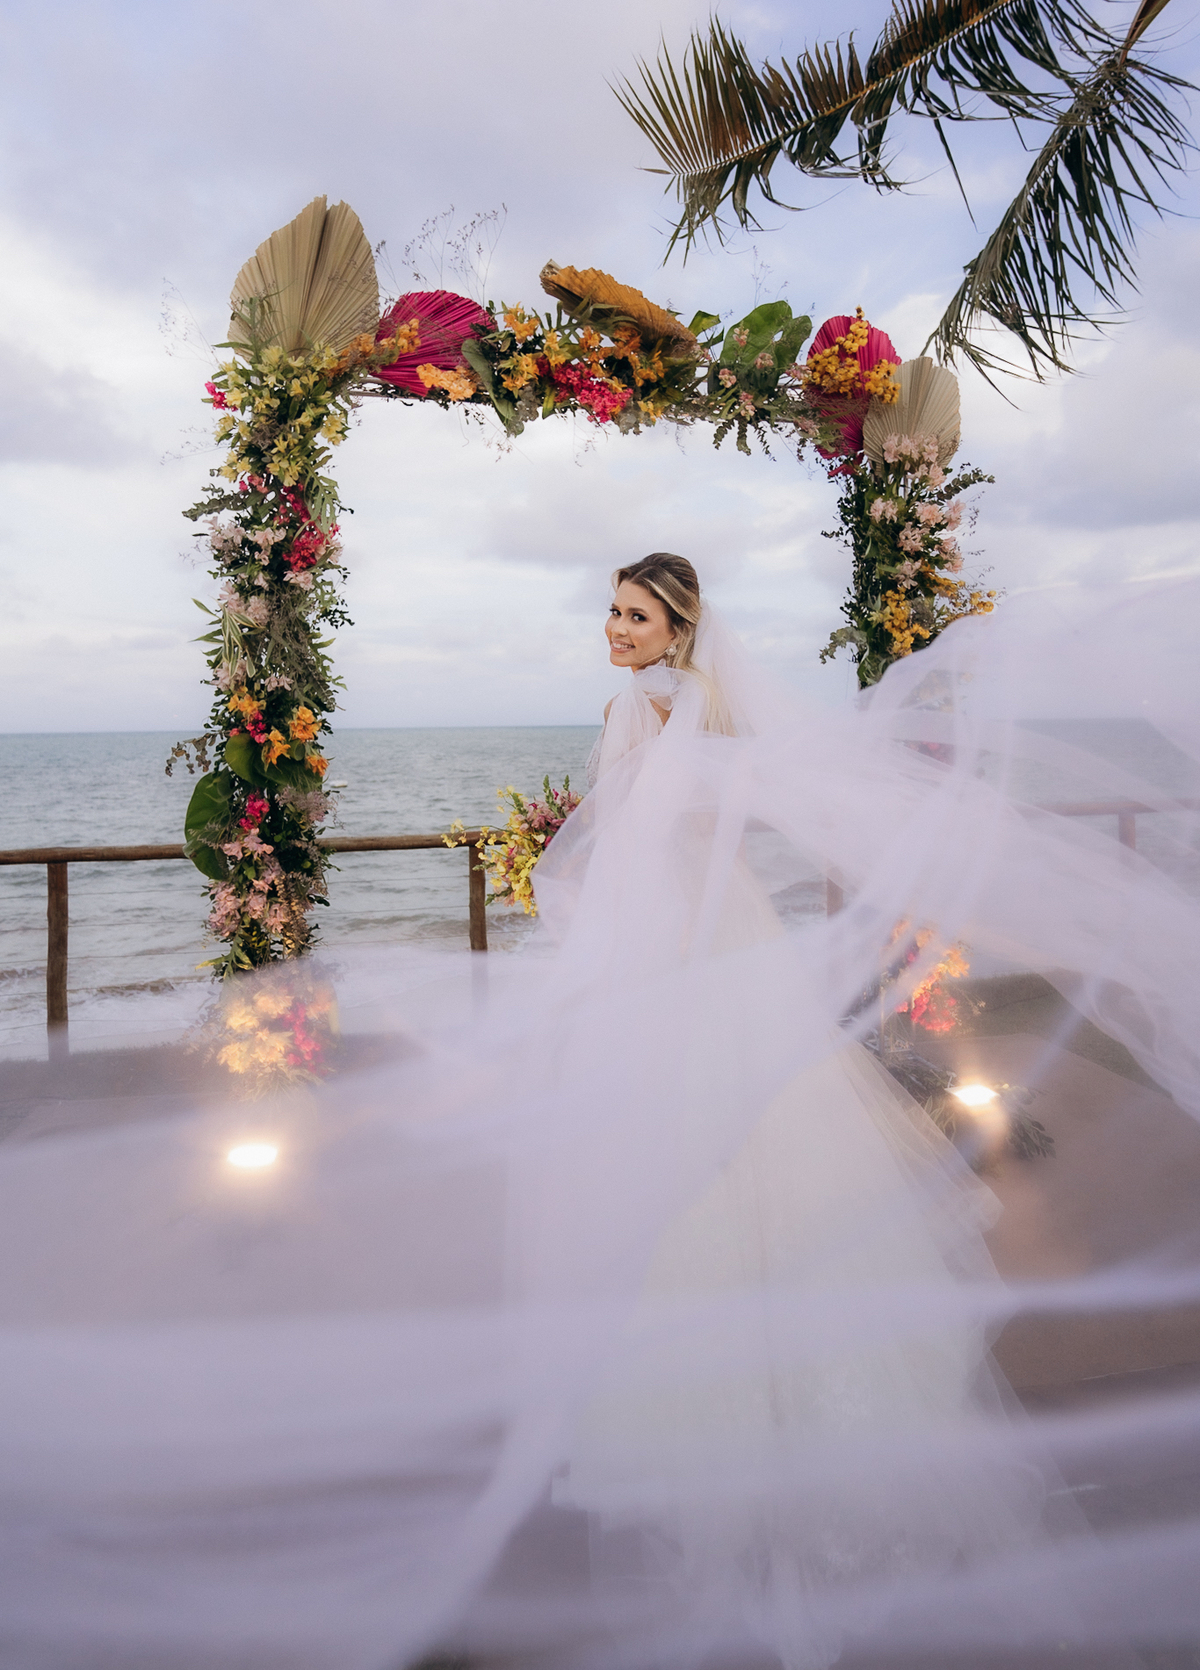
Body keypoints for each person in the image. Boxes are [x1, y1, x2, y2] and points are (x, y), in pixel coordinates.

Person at [0, 558, 1198, 1670]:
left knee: (696, 1178)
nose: (614, 631)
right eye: (612, 613)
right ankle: (796, 1448)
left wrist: (589, 904)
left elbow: (648, 847)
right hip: (717, 945)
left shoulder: (660, 707)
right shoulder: (683, 707)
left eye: (635, 615)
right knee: (752, 1173)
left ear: (680, 629)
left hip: (685, 959)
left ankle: (734, 1457)